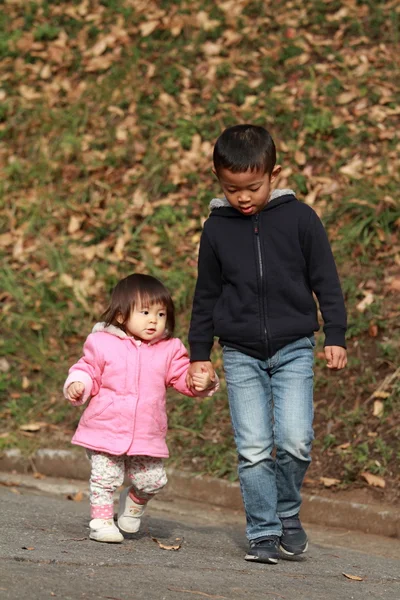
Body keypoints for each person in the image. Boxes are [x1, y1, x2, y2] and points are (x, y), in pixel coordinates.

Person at [186, 124, 347, 564]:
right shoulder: (216, 230)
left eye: (252, 187)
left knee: (295, 440)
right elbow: (206, 295)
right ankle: (262, 530)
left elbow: (326, 281)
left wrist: (335, 334)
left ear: (274, 173)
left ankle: (287, 512)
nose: (242, 198)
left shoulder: (301, 219)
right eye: (231, 188)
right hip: (239, 352)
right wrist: (198, 354)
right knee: (254, 447)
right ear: (220, 180)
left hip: (294, 346)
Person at [64, 273, 217, 543]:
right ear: (122, 316)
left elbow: (182, 377)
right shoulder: (102, 343)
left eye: (160, 314)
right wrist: (79, 383)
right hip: (105, 427)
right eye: (145, 312)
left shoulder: (169, 349)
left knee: (153, 480)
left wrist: (200, 382)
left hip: (146, 432)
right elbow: (87, 369)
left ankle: (133, 502)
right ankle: (100, 522)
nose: (153, 321)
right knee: (106, 476)